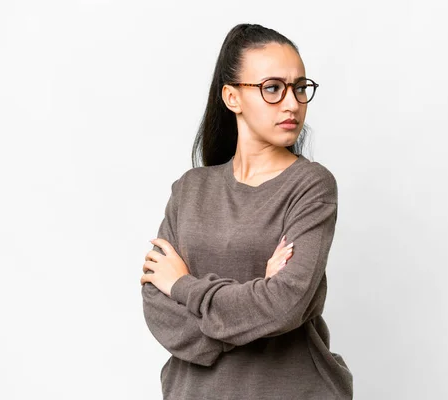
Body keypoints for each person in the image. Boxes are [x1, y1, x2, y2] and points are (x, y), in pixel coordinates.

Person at [140, 23, 353, 399]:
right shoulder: (190, 189)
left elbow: (285, 305)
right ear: (232, 97)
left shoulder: (311, 186)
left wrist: (182, 285)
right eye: (272, 88)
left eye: (299, 88)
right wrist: (256, 302)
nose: (292, 103)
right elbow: (158, 308)